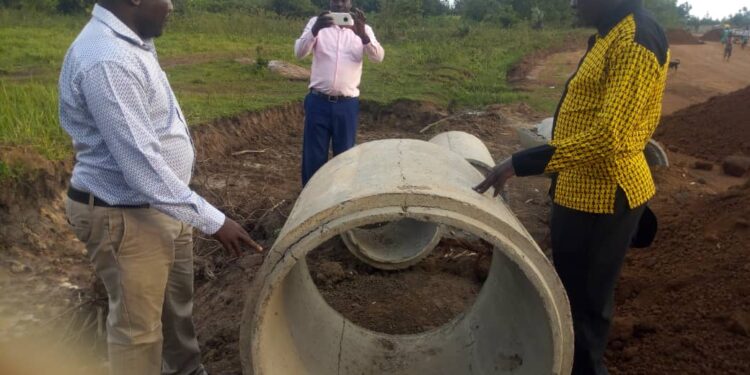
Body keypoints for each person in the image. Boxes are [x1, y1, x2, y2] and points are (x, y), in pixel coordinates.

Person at [59, 1, 263, 374]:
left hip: (158, 207)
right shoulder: (107, 59)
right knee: (139, 332)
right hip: (124, 215)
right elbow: (142, 169)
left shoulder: (132, 44)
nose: (172, 5)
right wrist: (214, 221)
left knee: (175, 313)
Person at [475, 0, 668, 374]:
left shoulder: (636, 40)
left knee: (585, 307)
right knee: (567, 297)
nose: (573, 3)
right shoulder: (611, 34)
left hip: (604, 196)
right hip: (578, 189)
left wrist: (521, 163)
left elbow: (610, 137)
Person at [294, 0, 384, 186]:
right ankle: (310, 202)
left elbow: (378, 57)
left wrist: (364, 37)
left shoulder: (363, 28)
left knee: (345, 157)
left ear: (350, 3)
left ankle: (340, 200)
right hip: (318, 101)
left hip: (347, 105)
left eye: (344, 0)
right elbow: (299, 53)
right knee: (313, 156)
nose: (339, 4)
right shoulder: (316, 23)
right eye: (335, 0)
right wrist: (315, 30)